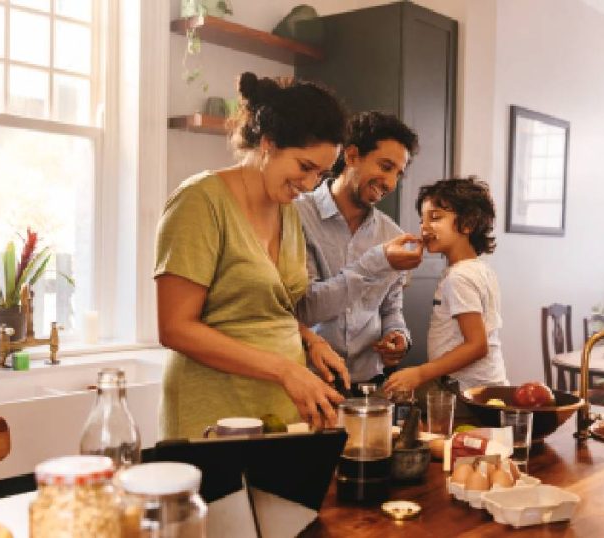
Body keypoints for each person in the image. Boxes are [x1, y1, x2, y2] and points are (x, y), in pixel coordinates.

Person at [154, 72, 350, 439]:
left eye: (321, 174)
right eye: (304, 167)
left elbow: (261, 307)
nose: (310, 185)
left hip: (280, 410)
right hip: (213, 412)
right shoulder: (200, 201)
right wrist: (285, 370)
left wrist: (310, 339)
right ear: (268, 142)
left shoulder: (288, 210)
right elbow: (175, 327)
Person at [295, 112, 423, 392]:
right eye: (385, 166)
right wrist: (376, 262)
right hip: (310, 382)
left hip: (369, 385)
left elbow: (391, 308)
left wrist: (397, 335)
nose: (390, 183)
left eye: (398, 174)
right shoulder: (296, 216)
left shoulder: (393, 236)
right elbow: (306, 308)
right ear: (352, 156)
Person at [383, 177, 508, 393]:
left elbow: (477, 345)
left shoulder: (460, 277)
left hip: (467, 393)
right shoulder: (478, 269)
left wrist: (420, 373)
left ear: (468, 223)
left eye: (435, 218)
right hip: (483, 388)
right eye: (422, 220)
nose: (424, 227)